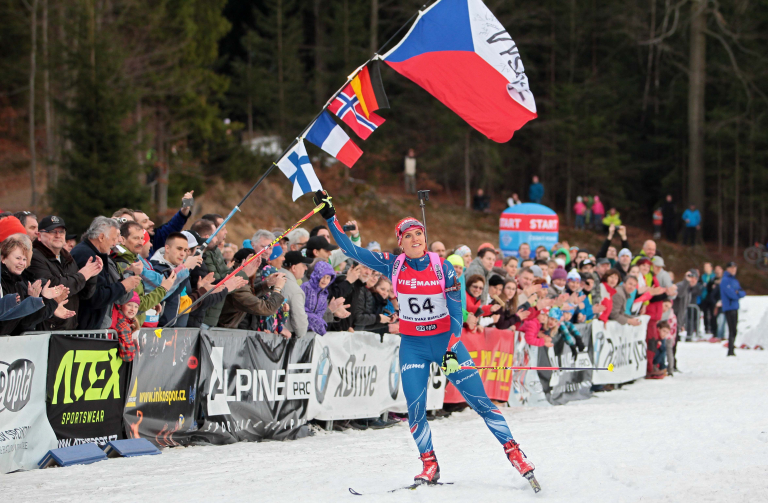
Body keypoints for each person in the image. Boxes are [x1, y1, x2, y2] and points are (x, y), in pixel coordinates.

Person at [313, 189, 538, 489]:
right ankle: (429, 464)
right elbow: (352, 250)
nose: (415, 238)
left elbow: (456, 310)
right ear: (400, 242)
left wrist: (452, 345)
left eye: (418, 233)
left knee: (481, 402)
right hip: (414, 348)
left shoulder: (441, 267)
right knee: (415, 408)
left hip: (447, 344)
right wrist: (330, 216)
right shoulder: (392, 265)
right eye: (408, 235)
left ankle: (516, 454)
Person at [28, 215, 102, 330]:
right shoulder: (34, 256)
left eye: (61, 232)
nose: (58, 235)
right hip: (46, 329)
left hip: (68, 327)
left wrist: (92, 274)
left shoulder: (67, 258)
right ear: (39, 235)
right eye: (52, 231)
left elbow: (83, 294)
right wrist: (83, 275)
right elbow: (53, 286)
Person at [71, 216, 141, 329]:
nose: (117, 242)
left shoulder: (92, 253)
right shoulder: (87, 255)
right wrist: (123, 286)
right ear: (101, 237)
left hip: (89, 326)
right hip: (83, 328)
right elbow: (96, 297)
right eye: (114, 238)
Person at [1, 234, 73, 335]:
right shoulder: (4, 281)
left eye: (24, 259)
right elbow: (6, 321)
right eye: (18, 258)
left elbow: (25, 323)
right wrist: (31, 302)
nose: (22, 263)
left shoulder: (18, 282)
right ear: (3, 258)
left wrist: (45, 300)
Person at [135, 190, 195, 255]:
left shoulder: (155, 238)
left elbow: (173, 226)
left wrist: (185, 207)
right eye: (145, 221)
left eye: (149, 220)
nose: (152, 223)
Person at [279, 251, 313, 338]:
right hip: (285, 339)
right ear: (293, 268)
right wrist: (302, 335)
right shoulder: (295, 291)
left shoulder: (272, 277)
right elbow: (299, 322)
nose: (306, 268)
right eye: (303, 265)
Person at [302, 261, 336, 335]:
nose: (325, 280)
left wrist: (319, 323)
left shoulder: (324, 293)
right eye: (322, 276)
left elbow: (321, 312)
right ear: (317, 275)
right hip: (301, 327)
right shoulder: (306, 287)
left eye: (328, 278)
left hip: (313, 332)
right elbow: (300, 307)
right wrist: (316, 320)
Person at [720, 262, 745, 356]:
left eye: (735, 268)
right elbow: (732, 294)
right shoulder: (725, 280)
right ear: (727, 269)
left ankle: (732, 347)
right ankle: (730, 350)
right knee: (731, 329)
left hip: (735, 306)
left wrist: (738, 293)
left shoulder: (735, 281)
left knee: (734, 329)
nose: (734, 270)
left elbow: (742, 292)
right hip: (729, 307)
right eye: (732, 268)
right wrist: (737, 293)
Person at [111, 291, 140, 362]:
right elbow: (128, 355)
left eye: (136, 306)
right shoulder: (123, 326)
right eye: (129, 305)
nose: (133, 309)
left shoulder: (125, 322)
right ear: (120, 306)